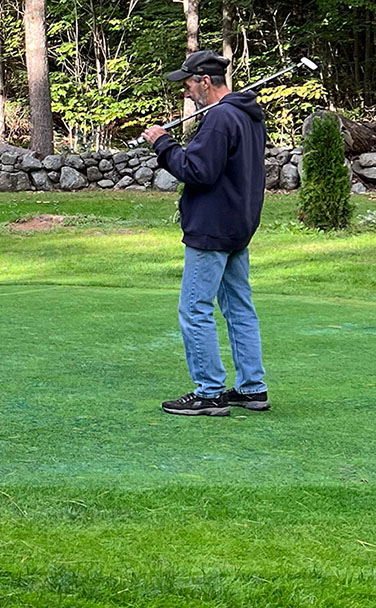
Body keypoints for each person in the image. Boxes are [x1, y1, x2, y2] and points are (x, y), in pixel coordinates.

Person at [141, 50, 270, 417]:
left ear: (205, 81)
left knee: (195, 309)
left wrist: (163, 144)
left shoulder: (220, 119)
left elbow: (198, 172)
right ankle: (251, 388)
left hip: (212, 228)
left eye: (188, 84)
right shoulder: (248, 117)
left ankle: (210, 392)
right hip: (238, 226)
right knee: (239, 309)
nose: (186, 92)